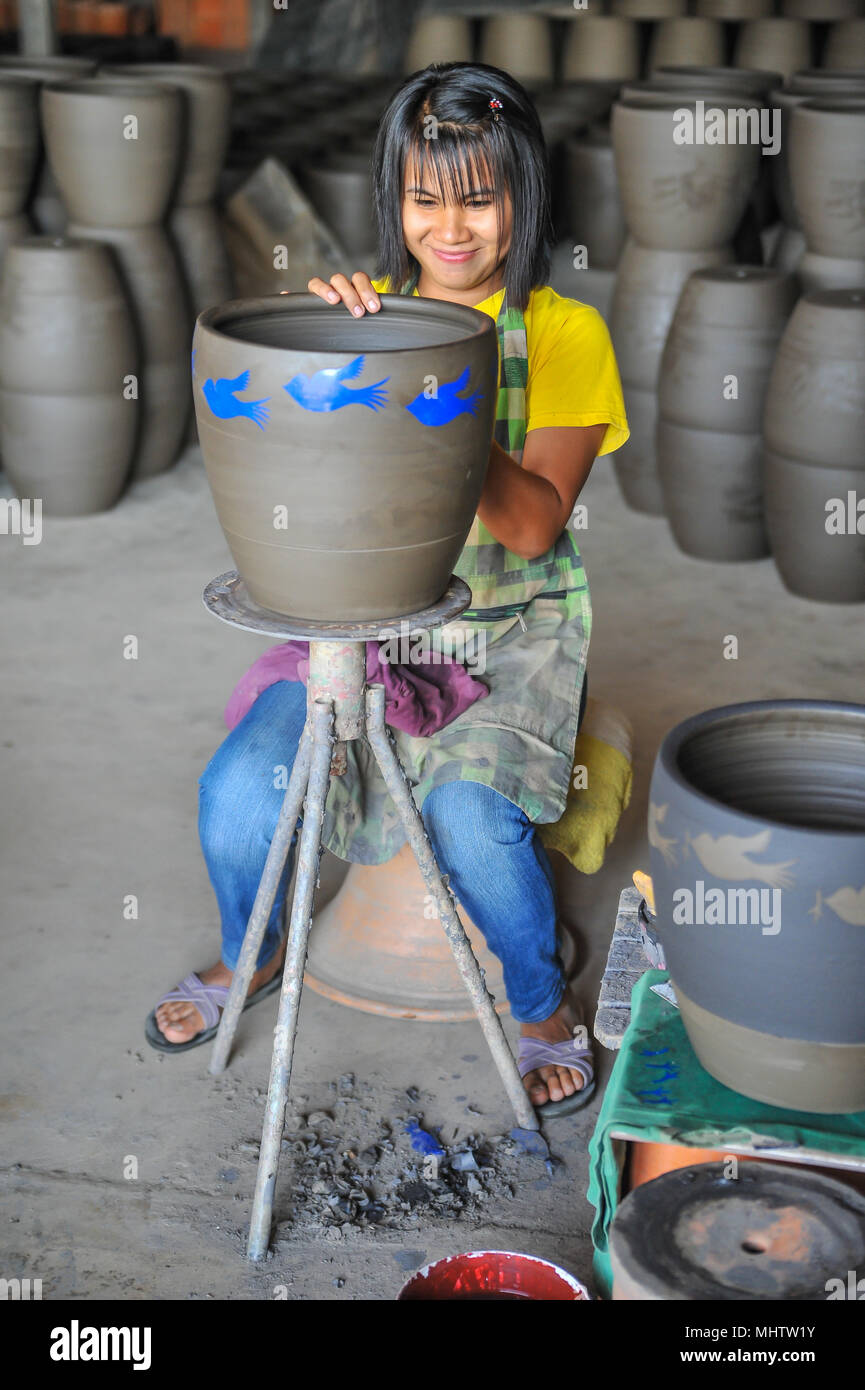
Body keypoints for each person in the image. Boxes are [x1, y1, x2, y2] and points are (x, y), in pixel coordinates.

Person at [147, 62, 629, 1118]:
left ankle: (541, 1001)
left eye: (478, 197)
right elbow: (300, 478)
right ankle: (255, 948)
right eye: (422, 198)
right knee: (238, 792)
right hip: (365, 619)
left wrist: (440, 401)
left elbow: (535, 519)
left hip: (503, 631)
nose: (449, 228)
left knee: (468, 820)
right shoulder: (376, 315)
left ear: (524, 192)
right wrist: (330, 357)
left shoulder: (563, 335)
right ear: (391, 200)